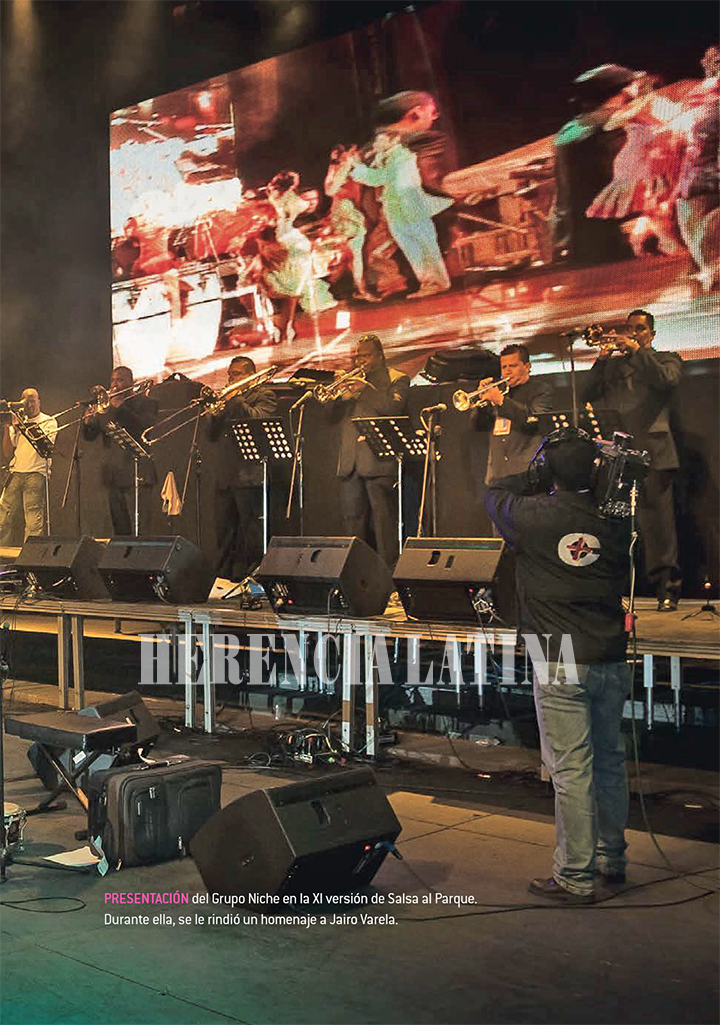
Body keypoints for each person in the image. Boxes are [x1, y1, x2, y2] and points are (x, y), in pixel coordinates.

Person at [485, 429, 632, 904]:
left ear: (546, 471)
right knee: (609, 761)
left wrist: (532, 475)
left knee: (571, 769)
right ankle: (613, 859)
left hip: (560, 655)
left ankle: (574, 876)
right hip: (610, 651)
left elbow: (491, 492)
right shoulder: (616, 519)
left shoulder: (531, 516)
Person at [581, 309, 682, 610]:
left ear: (651, 333)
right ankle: (613, 590)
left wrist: (638, 351)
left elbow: (665, 381)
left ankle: (667, 590)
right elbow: (587, 393)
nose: (633, 333)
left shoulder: (667, 359)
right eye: (630, 328)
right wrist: (601, 357)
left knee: (659, 526)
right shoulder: (613, 367)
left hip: (655, 452)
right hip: (619, 455)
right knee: (614, 525)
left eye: (640, 329)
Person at [327, 333, 409, 567]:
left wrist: (365, 389)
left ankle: (390, 576)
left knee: (384, 524)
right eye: (358, 356)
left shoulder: (397, 378)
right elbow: (330, 417)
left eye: (366, 356)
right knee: (353, 523)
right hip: (350, 462)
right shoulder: (351, 383)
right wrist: (336, 393)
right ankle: (358, 574)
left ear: (380, 356)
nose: (360, 361)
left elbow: (393, 407)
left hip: (378, 460)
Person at [351, 130, 453, 298]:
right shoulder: (388, 158)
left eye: (379, 141)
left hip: (411, 209)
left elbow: (380, 178)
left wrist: (358, 167)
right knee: (413, 250)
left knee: (425, 247)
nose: (376, 145)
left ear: (394, 139)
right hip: (397, 210)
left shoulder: (402, 157)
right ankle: (429, 283)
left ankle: (438, 282)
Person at [554, 64, 639, 266]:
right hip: (613, 243)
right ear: (624, 92)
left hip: (578, 241)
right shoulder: (611, 130)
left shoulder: (568, 131)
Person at [207, 356, 277, 581]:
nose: (230, 379)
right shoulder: (227, 400)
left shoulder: (264, 395)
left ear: (250, 375)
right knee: (223, 531)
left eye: (235, 374)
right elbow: (211, 435)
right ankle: (223, 578)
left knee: (252, 531)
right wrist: (214, 415)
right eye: (229, 374)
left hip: (250, 474)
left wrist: (235, 400)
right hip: (225, 474)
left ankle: (254, 577)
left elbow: (258, 421)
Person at [82, 367, 158, 536]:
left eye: (120, 380)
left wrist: (121, 408)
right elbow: (90, 436)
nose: (115, 385)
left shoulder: (146, 403)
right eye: (113, 380)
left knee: (141, 528)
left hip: (138, 472)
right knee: (120, 528)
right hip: (114, 474)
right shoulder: (106, 406)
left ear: (131, 382)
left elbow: (145, 429)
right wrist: (89, 422)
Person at [472, 344, 553, 485]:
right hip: (498, 473)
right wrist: (482, 402)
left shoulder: (541, 390)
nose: (507, 371)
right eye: (504, 367)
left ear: (527, 367)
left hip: (527, 472)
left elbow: (533, 421)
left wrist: (501, 401)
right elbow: (478, 426)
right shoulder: (499, 391)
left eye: (513, 366)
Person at [0, 389, 57, 543]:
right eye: (25, 401)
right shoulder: (18, 422)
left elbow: (44, 447)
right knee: (3, 516)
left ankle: (30, 561)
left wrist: (23, 428)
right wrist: (8, 428)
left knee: (33, 521)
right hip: (16, 472)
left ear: (39, 401)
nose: (29, 404)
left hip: (36, 473)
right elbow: (7, 453)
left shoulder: (49, 421)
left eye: (32, 400)